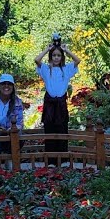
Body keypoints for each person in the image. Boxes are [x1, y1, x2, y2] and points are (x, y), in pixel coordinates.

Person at [34, 34, 80, 165]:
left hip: (60, 103)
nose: (56, 57)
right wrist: (47, 49)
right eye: (54, 55)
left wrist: (66, 50)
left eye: (58, 55)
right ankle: (51, 160)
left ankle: (63, 159)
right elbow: (37, 60)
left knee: (62, 128)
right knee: (49, 129)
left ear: (62, 57)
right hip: (50, 103)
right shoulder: (45, 69)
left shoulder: (66, 69)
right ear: (51, 56)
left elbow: (77, 61)